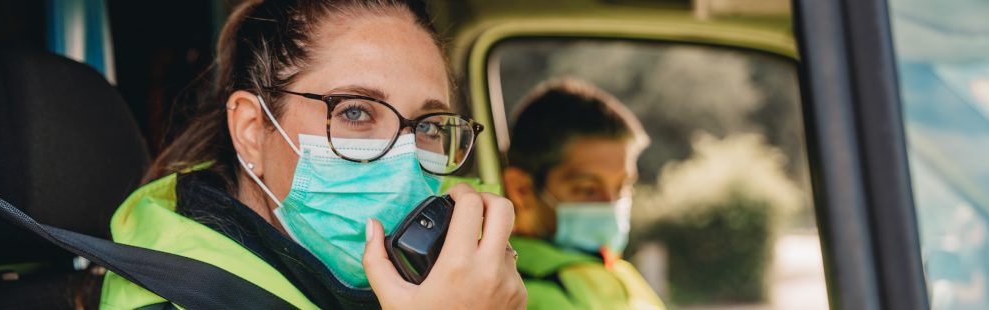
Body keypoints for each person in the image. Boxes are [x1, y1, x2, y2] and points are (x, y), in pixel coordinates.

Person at [99, 0, 526, 308]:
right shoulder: (175, 297)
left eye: (428, 126)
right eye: (355, 112)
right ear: (251, 130)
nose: (403, 159)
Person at [502, 79, 664, 309]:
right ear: (522, 190)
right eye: (588, 190)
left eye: (622, 187)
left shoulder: (616, 270)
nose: (611, 204)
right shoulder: (520, 292)